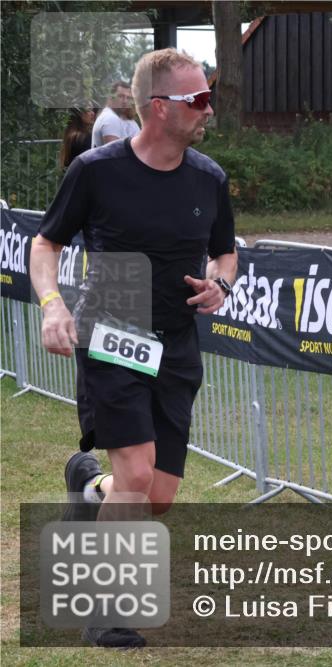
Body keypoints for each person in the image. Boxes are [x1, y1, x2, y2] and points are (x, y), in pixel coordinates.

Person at [29, 48, 237, 649]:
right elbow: (45, 245)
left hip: (176, 341)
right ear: (159, 107)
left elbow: (225, 252)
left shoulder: (209, 178)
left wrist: (221, 285)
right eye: (198, 99)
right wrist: (53, 306)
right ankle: (106, 610)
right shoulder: (96, 170)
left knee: (158, 496)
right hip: (112, 327)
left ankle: (88, 487)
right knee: (138, 472)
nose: (209, 109)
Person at [91, 81, 140, 148]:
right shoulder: (110, 118)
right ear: (110, 97)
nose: (125, 101)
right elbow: (113, 152)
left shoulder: (111, 116)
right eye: (121, 96)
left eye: (128, 98)